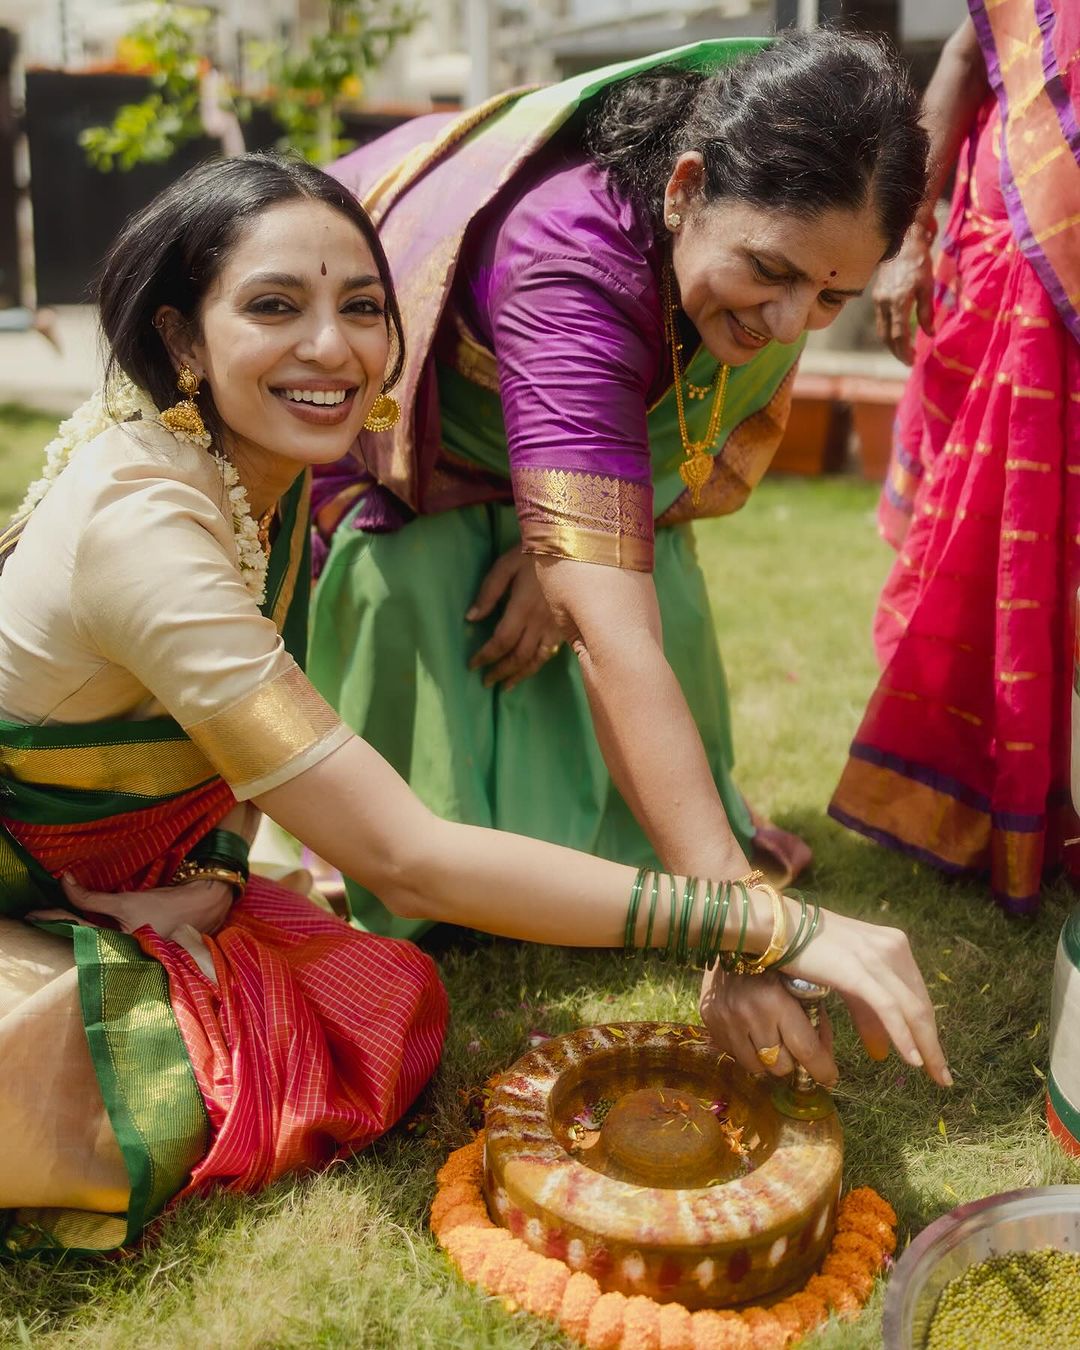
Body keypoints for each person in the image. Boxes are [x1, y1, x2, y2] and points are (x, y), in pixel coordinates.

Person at [0, 154, 949, 1256]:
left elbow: (230, 752)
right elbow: (407, 860)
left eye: (361, 307)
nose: (332, 349)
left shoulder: (246, 455)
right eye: (274, 307)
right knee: (194, 1077)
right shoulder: (146, 532)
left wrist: (210, 880)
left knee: (378, 1001)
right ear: (178, 341)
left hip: (123, 870)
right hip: (33, 868)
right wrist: (770, 919)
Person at [309, 30, 929, 1076]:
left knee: (645, 587)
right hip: (404, 462)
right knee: (457, 584)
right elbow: (608, 630)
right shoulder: (573, 263)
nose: (788, 323)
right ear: (685, 186)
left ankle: (624, 851)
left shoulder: (750, 272)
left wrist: (571, 566)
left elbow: (646, 480)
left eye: (831, 299)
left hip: (552, 447)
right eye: (770, 272)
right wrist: (742, 929)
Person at [829, 1, 1080, 914]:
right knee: (1002, 536)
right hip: (1022, 238)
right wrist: (907, 231)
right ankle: (994, 801)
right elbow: (977, 43)